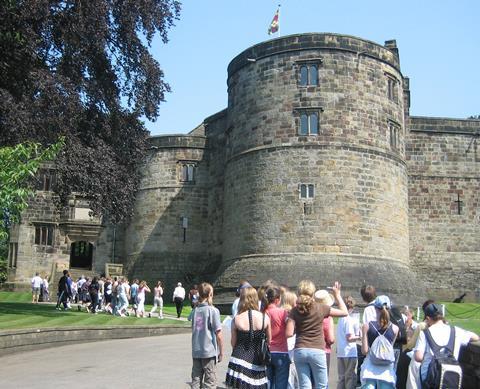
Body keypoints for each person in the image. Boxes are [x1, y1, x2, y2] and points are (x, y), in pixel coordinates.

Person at [286, 281, 348, 389]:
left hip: (300, 350)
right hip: (317, 350)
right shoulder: (321, 307)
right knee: (321, 385)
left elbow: (289, 333)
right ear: (312, 293)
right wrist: (337, 294)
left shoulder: (294, 310)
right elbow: (344, 312)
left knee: (305, 386)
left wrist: (300, 327)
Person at [414, 301, 479, 385]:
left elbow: (418, 357)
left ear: (428, 318)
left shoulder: (425, 333)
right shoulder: (456, 331)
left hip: (430, 377)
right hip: (450, 376)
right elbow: (475, 337)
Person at [225, 286, 270, 388]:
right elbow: (269, 340)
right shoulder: (265, 318)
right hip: (258, 359)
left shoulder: (237, 319)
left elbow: (233, 342)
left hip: (239, 358)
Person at [360, 295, 399, 389]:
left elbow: (364, 351)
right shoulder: (395, 328)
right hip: (386, 370)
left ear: (375, 308)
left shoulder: (367, 326)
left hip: (370, 367)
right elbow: (389, 348)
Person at [191, 282, 224, 389]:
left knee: (196, 381)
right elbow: (218, 334)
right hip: (208, 352)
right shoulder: (213, 311)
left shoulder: (195, 310)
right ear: (210, 294)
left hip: (196, 350)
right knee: (210, 382)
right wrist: (221, 352)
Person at [263, 285, 290, 389]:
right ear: (278, 300)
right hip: (281, 351)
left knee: (267, 382)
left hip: (266, 351)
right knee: (281, 383)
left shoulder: (263, 312)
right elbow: (290, 327)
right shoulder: (282, 312)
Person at [337, 296, 360, 389]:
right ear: (350, 308)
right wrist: (360, 337)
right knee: (349, 377)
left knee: (341, 378)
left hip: (341, 352)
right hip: (349, 352)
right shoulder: (348, 319)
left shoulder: (340, 319)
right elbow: (349, 338)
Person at [314, 289, 336, 373]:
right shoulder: (328, 319)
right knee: (322, 382)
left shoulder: (310, 315)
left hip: (310, 348)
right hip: (323, 351)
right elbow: (331, 339)